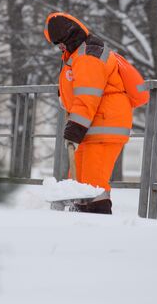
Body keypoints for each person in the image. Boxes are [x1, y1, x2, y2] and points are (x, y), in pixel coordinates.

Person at [43, 12, 133, 214]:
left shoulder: (88, 57)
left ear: (69, 37)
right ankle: (82, 223)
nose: (60, 48)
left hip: (103, 127)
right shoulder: (80, 55)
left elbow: (87, 97)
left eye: (61, 44)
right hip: (92, 128)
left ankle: (98, 226)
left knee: (93, 187)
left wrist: (74, 129)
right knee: (80, 184)